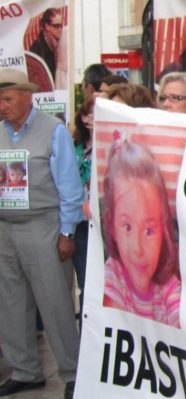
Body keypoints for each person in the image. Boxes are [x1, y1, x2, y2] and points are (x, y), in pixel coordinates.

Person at [0, 69, 85, 399]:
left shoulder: (53, 130)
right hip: (6, 227)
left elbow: (70, 187)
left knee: (55, 302)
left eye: (7, 99)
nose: (3, 106)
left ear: (27, 96)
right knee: (10, 302)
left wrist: (67, 231)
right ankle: (25, 370)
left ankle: (72, 371)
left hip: (43, 225)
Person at [101, 138, 181, 328]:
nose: (138, 248)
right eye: (127, 227)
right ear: (112, 226)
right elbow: (112, 327)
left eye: (149, 231)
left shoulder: (168, 287)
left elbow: (180, 319)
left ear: (164, 230)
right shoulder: (113, 276)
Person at [72, 97, 95, 312]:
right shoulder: (76, 143)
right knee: (84, 277)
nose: (89, 118)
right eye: (86, 113)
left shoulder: (109, 141)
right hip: (79, 220)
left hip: (98, 219)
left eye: (94, 114)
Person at [29, 7, 64, 81]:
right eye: (56, 26)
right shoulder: (37, 48)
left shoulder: (59, 42)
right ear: (47, 26)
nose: (60, 29)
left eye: (61, 25)